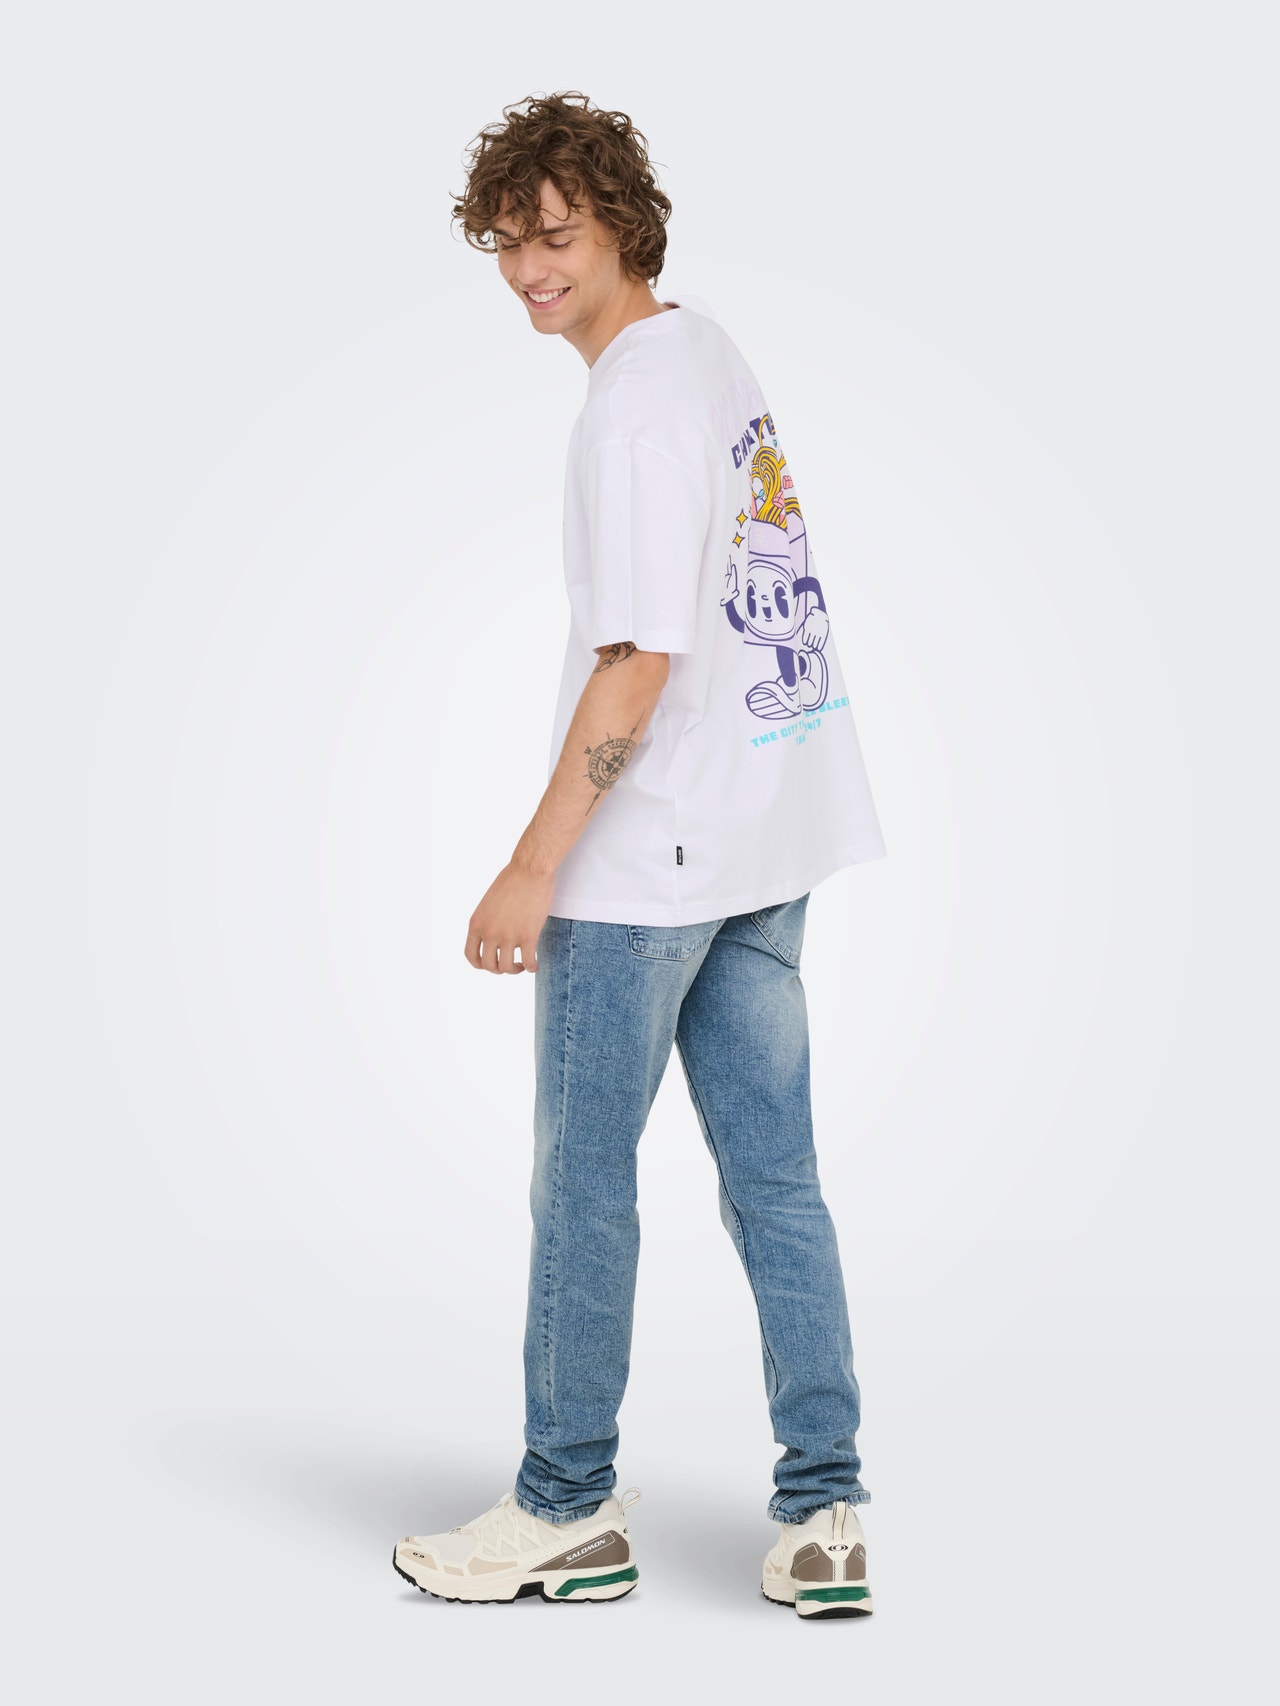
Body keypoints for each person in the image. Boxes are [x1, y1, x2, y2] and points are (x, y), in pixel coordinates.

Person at [393, 92, 886, 1621]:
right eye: (506, 241)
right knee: (778, 1181)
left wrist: (531, 866)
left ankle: (564, 1505)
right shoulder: (703, 352)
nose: (529, 268)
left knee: (583, 1188)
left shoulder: (630, 414)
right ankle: (827, 1511)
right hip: (762, 839)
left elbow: (637, 666)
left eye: (555, 233)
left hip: (649, 869)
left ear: (620, 223)